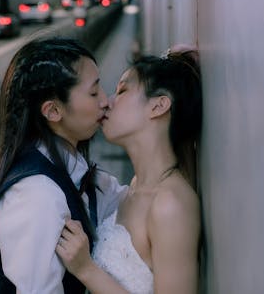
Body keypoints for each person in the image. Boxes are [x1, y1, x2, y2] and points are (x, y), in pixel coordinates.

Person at [0, 36, 126, 293]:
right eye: (93, 92)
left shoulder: (69, 166)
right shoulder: (37, 196)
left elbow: (126, 200)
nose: (105, 100)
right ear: (53, 112)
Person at [55, 48, 202, 294]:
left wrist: (86, 270)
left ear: (159, 106)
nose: (106, 102)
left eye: (122, 90)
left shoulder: (170, 205)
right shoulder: (132, 188)